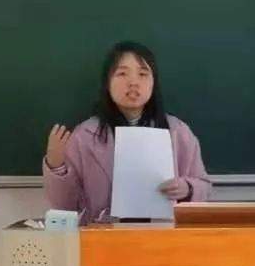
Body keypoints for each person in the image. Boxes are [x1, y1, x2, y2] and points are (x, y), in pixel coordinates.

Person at [43, 41, 209, 222]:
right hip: (103, 234)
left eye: (143, 74)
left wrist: (188, 188)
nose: (133, 82)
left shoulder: (177, 132)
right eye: (122, 74)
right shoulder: (84, 136)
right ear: (107, 83)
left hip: (164, 233)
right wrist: (57, 167)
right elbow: (65, 207)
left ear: (153, 84)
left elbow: (205, 188)